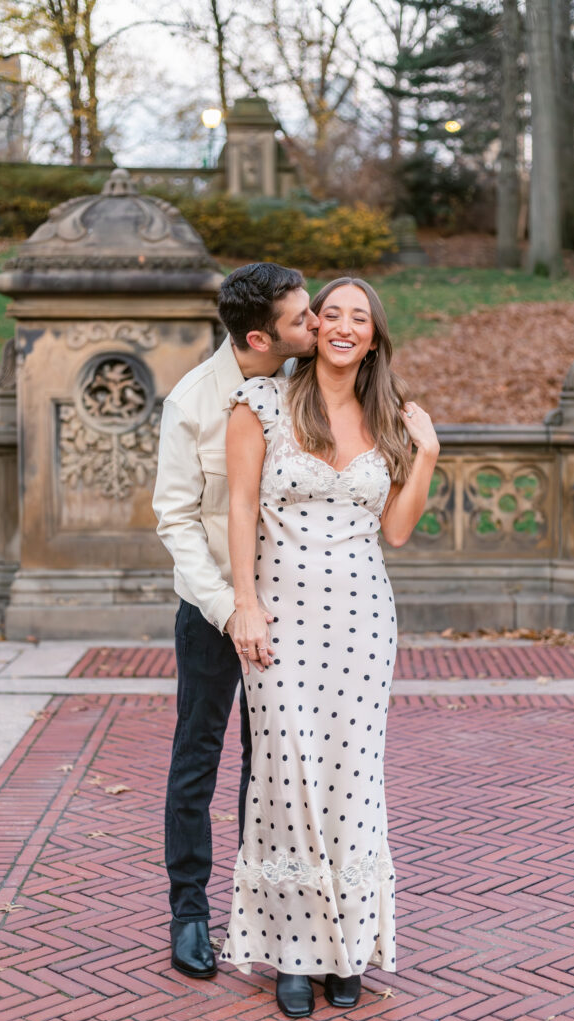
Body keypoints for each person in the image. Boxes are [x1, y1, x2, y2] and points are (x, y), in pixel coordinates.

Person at [221, 277, 440, 1017]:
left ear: (373, 337)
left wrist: (429, 453)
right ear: (313, 329)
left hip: (362, 622)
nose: (343, 326)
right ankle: (289, 954)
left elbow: (399, 530)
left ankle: (346, 951)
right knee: (284, 778)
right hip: (279, 619)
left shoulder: (389, 419)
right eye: (332, 314)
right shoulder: (262, 406)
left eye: (360, 317)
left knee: (352, 782)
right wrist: (243, 606)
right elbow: (241, 508)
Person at [152, 263, 320, 980]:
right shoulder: (193, 401)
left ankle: (271, 916)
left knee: (275, 768)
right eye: (302, 318)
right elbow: (176, 519)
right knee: (198, 758)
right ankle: (189, 912)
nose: (315, 326)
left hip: (296, 612)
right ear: (259, 335)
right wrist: (228, 609)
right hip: (213, 610)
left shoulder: (310, 390)